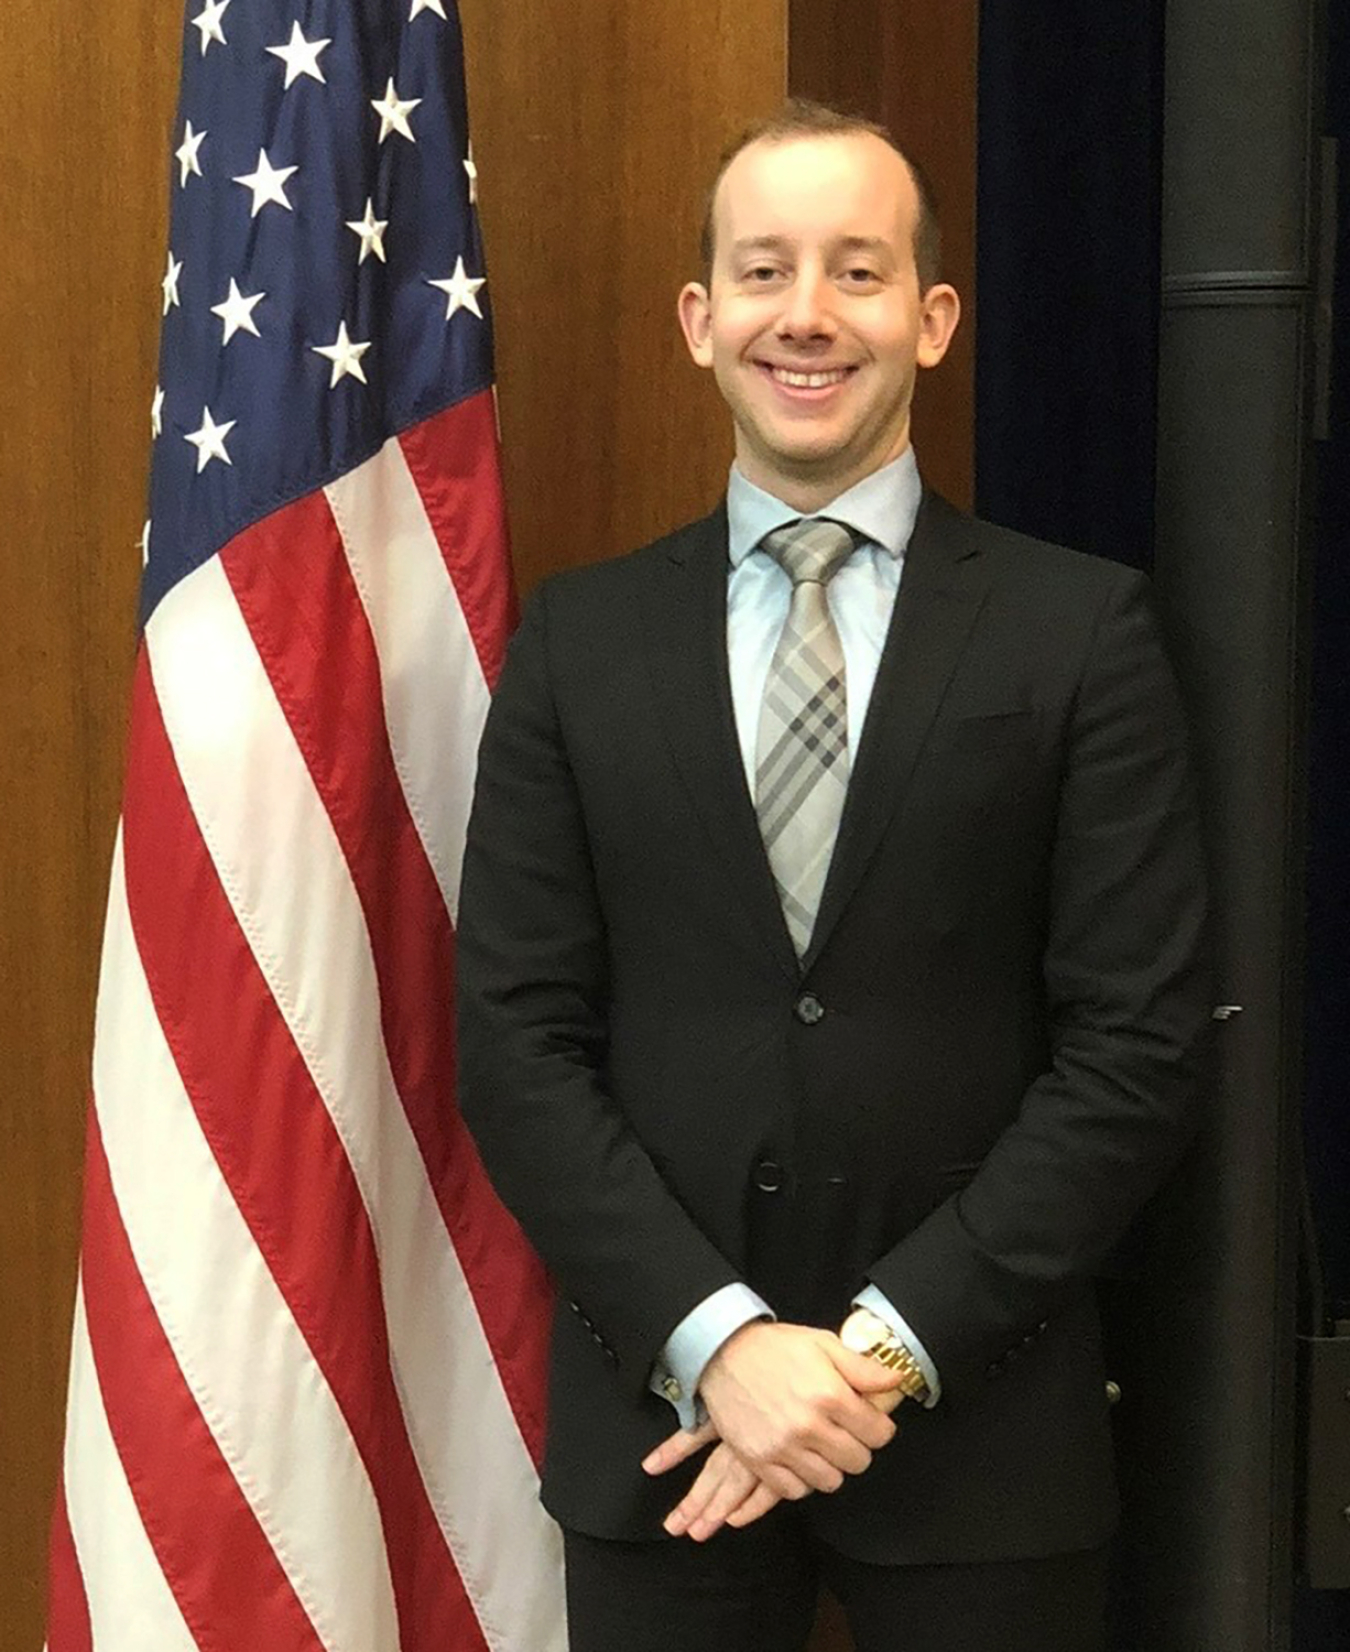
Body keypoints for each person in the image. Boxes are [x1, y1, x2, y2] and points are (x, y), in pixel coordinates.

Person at [456, 99, 1211, 1652]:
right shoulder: (575, 645)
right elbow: (516, 1045)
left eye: (856, 272)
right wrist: (725, 1345)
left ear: (930, 320)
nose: (806, 314)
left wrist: (869, 1356)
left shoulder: (1080, 634)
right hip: (667, 1441)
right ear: (699, 318)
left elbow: (1133, 1048)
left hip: (983, 1444)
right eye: (763, 270)